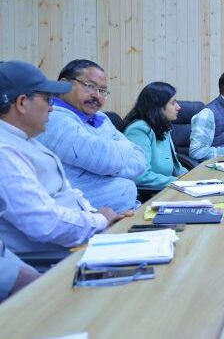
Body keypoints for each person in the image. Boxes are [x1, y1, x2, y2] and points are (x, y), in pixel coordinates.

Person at [0, 60, 130, 257]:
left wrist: (97, 217)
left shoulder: (27, 141)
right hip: (55, 260)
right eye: (47, 100)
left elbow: (68, 194)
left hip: (79, 240)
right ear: (22, 103)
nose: (51, 108)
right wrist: (100, 220)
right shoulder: (5, 153)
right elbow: (43, 223)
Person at [36, 59, 144, 212]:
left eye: (102, 91)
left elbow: (140, 161)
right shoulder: (53, 118)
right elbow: (106, 161)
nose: (97, 96)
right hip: (78, 216)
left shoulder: (101, 117)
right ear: (64, 84)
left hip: (116, 213)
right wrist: (120, 156)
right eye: (89, 86)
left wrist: (109, 166)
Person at [123, 82, 188, 195]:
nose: (178, 107)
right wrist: (179, 183)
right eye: (173, 103)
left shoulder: (162, 126)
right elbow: (141, 176)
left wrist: (193, 179)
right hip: (153, 195)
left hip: (168, 189)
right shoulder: (138, 130)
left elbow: (176, 167)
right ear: (158, 107)